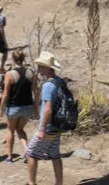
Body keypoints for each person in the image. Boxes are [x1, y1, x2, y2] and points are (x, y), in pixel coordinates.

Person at [25, 51, 65, 185]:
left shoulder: (48, 85)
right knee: (55, 155)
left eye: (42, 66)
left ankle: (32, 183)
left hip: (48, 127)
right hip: (57, 125)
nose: (39, 69)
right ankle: (59, 183)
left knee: (31, 153)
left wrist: (42, 128)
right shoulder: (60, 81)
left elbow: (48, 108)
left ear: (48, 68)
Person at [0, 49, 39, 163]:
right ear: (23, 59)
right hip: (27, 106)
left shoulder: (10, 74)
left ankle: (9, 157)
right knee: (20, 129)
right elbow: (36, 91)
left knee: (10, 130)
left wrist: (1, 109)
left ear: (13, 59)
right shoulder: (31, 73)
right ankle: (27, 150)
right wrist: (37, 107)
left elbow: (6, 94)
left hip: (13, 107)